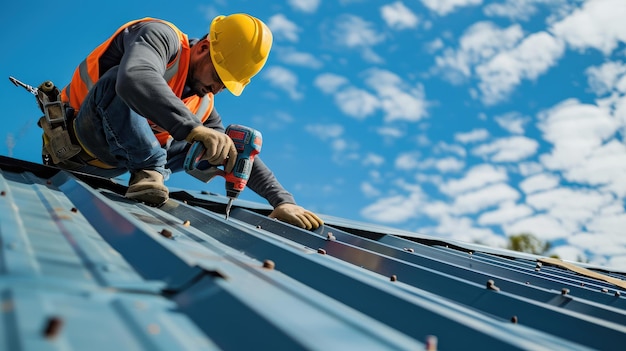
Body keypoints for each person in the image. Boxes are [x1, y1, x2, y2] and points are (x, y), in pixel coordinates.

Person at [49, 14, 323, 230]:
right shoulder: (161, 36)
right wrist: (193, 128)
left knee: (224, 143)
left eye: (225, 86)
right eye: (218, 76)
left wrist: (283, 201)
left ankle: (148, 169)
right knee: (121, 78)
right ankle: (148, 168)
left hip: (121, 162)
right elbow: (135, 76)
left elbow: (239, 154)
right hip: (80, 142)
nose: (216, 89)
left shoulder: (203, 103)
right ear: (204, 48)